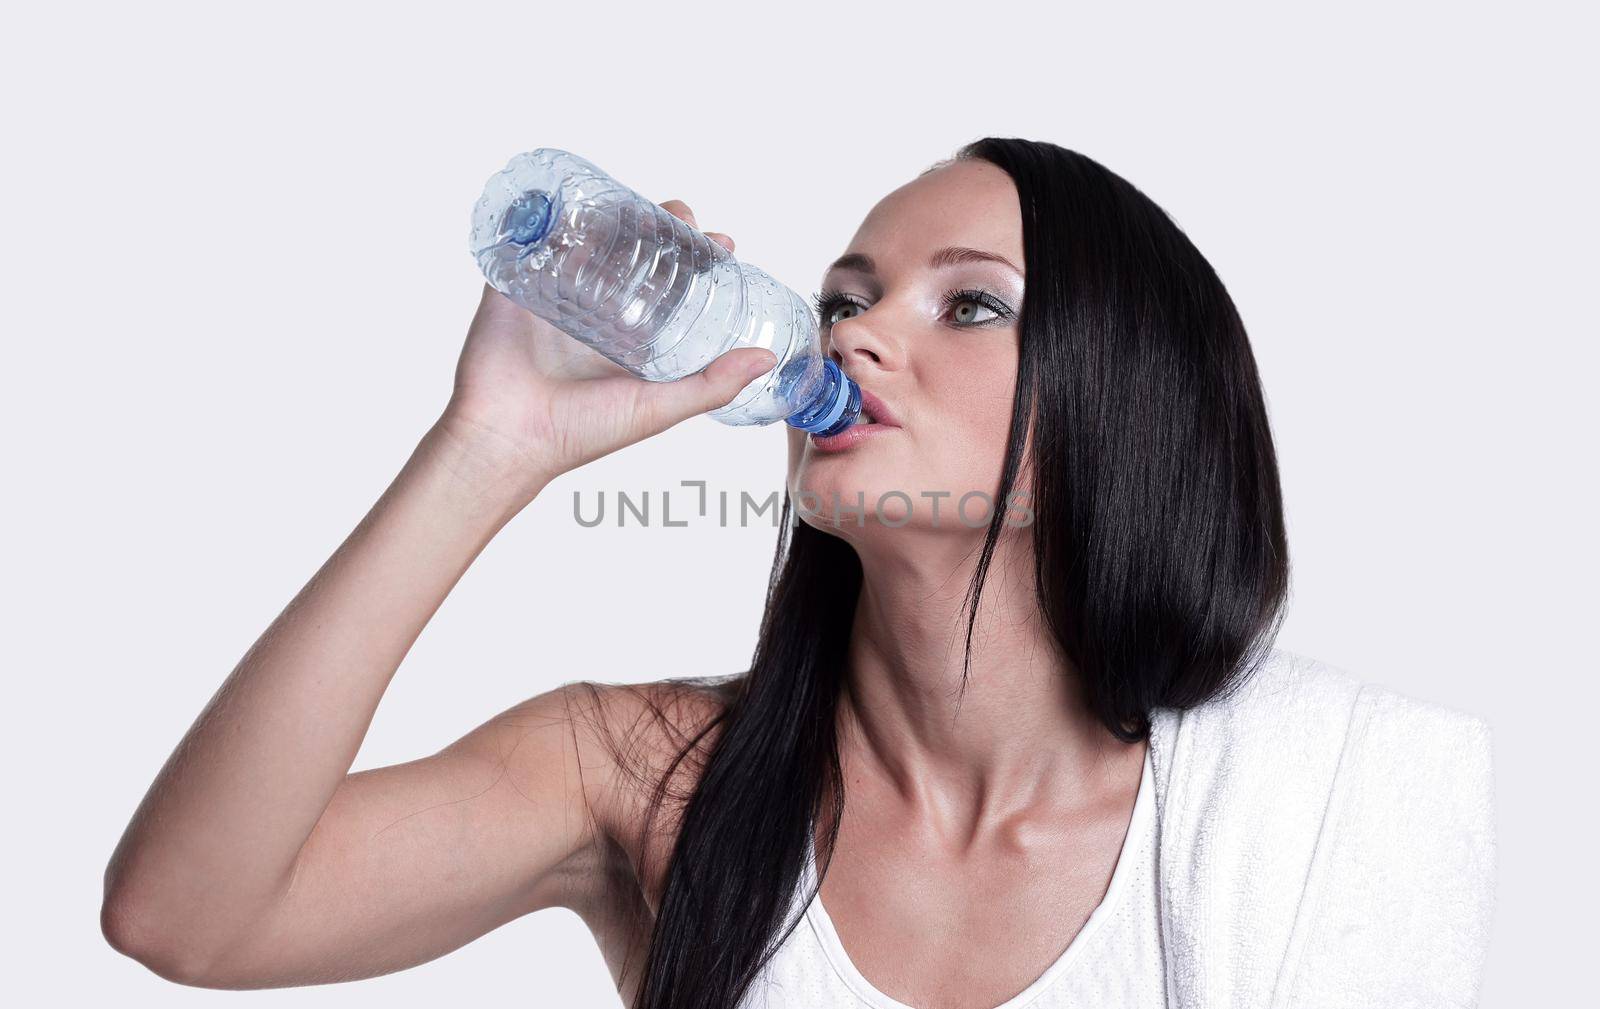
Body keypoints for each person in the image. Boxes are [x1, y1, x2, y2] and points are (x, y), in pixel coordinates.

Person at [101, 137, 1496, 1008]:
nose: (858, 330)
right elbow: (183, 916)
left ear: (1121, 408)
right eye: (845, 295)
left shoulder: (1318, 798)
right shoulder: (647, 776)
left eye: (970, 303)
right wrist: (486, 446)